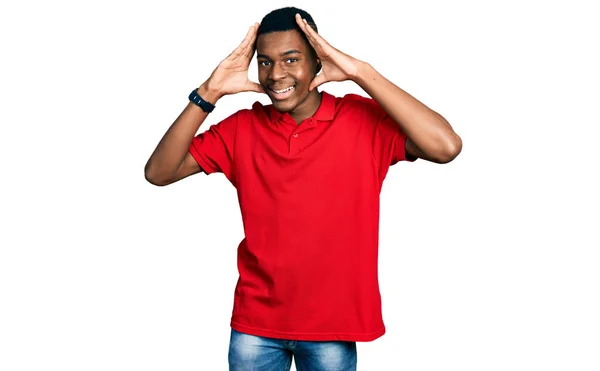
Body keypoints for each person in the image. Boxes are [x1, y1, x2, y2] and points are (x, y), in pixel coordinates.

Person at [144, 6, 462, 371]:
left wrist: (361, 73)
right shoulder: (241, 128)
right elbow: (158, 172)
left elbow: (445, 146)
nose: (276, 74)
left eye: (290, 59)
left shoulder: (361, 120)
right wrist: (208, 92)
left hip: (331, 327)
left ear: (317, 62)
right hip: (255, 325)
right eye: (264, 62)